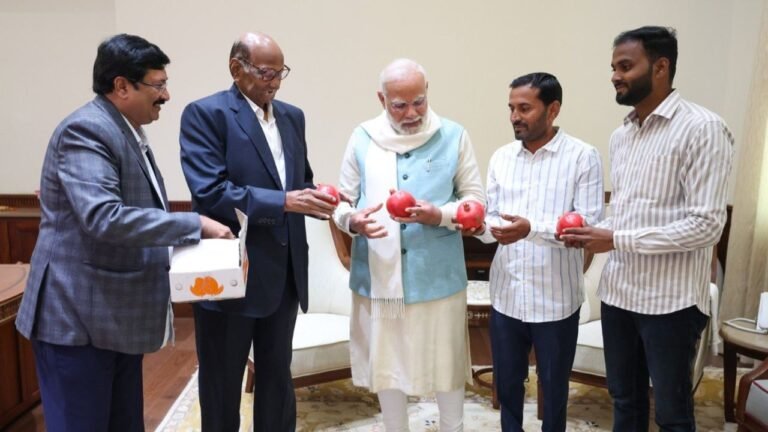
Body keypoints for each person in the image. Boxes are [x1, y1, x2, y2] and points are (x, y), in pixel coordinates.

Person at [14, 34, 234, 432]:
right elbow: (105, 217)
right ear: (121, 86)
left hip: (112, 319)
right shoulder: (86, 130)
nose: (166, 95)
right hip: (76, 321)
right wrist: (193, 224)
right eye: (158, 84)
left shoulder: (125, 128)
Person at [561, 26, 733, 431]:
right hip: (619, 295)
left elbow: (707, 225)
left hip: (670, 303)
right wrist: (589, 230)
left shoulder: (703, 129)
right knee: (625, 400)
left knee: (672, 414)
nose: (615, 76)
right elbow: (626, 213)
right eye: (613, 67)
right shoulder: (622, 135)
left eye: (625, 66)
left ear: (660, 67)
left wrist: (615, 238)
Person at [179, 32, 335, 432]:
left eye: (281, 72)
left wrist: (325, 200)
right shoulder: (206, 114)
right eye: (266, 72)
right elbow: (211, 192)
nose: (276, 82)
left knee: (277, 380)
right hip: (230, 272)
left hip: (284, 274)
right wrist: (285, 202)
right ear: (237, 68)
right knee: (222, 384)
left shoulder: (292, 116)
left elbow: (301, 182)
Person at [332, 58, 485, 432]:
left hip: (439, 277)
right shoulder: (362, 136)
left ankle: (454, 427)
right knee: (388, 368)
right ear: (381, 99)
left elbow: (476, 199)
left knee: (445, 366)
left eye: (419, 101)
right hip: (379, 279)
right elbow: (340, 201)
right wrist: (351, 221)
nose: (412, 112)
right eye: (400, 105)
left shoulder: (453, 135)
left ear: (427, 92)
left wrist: (441, 215)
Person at [475, 72, 604, 432]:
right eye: (511, 108)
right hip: (507, 296)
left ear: (553, 109)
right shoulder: (501, 157)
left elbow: (587, 228)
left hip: (557, 299)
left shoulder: (583, 157)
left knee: (554, 388)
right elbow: (492, 223)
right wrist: (476, 227)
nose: (515, 116)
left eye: (525, 108)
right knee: (508, 385)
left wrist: (532, 228)